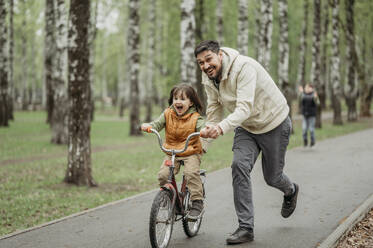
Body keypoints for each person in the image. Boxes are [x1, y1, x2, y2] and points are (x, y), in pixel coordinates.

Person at [195, 40, 299, 245]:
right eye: (200, 63)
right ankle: (245, 228)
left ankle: (291, 190)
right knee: (239, 166)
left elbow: (244, 108)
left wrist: (221, 128)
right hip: (247, 128)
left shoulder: (244, 67)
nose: (205, 66)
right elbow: (214, 108)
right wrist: (203, 144)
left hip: (274, 122)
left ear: (220, 55)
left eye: (208, 59)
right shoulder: (209, 77)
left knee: (272, 177)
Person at [141, 83, 205, 220]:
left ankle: (197, 203)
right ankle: (171, 200)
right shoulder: (167, 114)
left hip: (191, 151)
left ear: (191, 102)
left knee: (190, 173)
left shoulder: (196, 118)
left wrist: (205, 131)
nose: (178, 102)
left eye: (182, 99)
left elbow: (202, 127)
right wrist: (149, 126)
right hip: (172, 151)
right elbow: (156, 125)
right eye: (175, 99)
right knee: (163, 175)